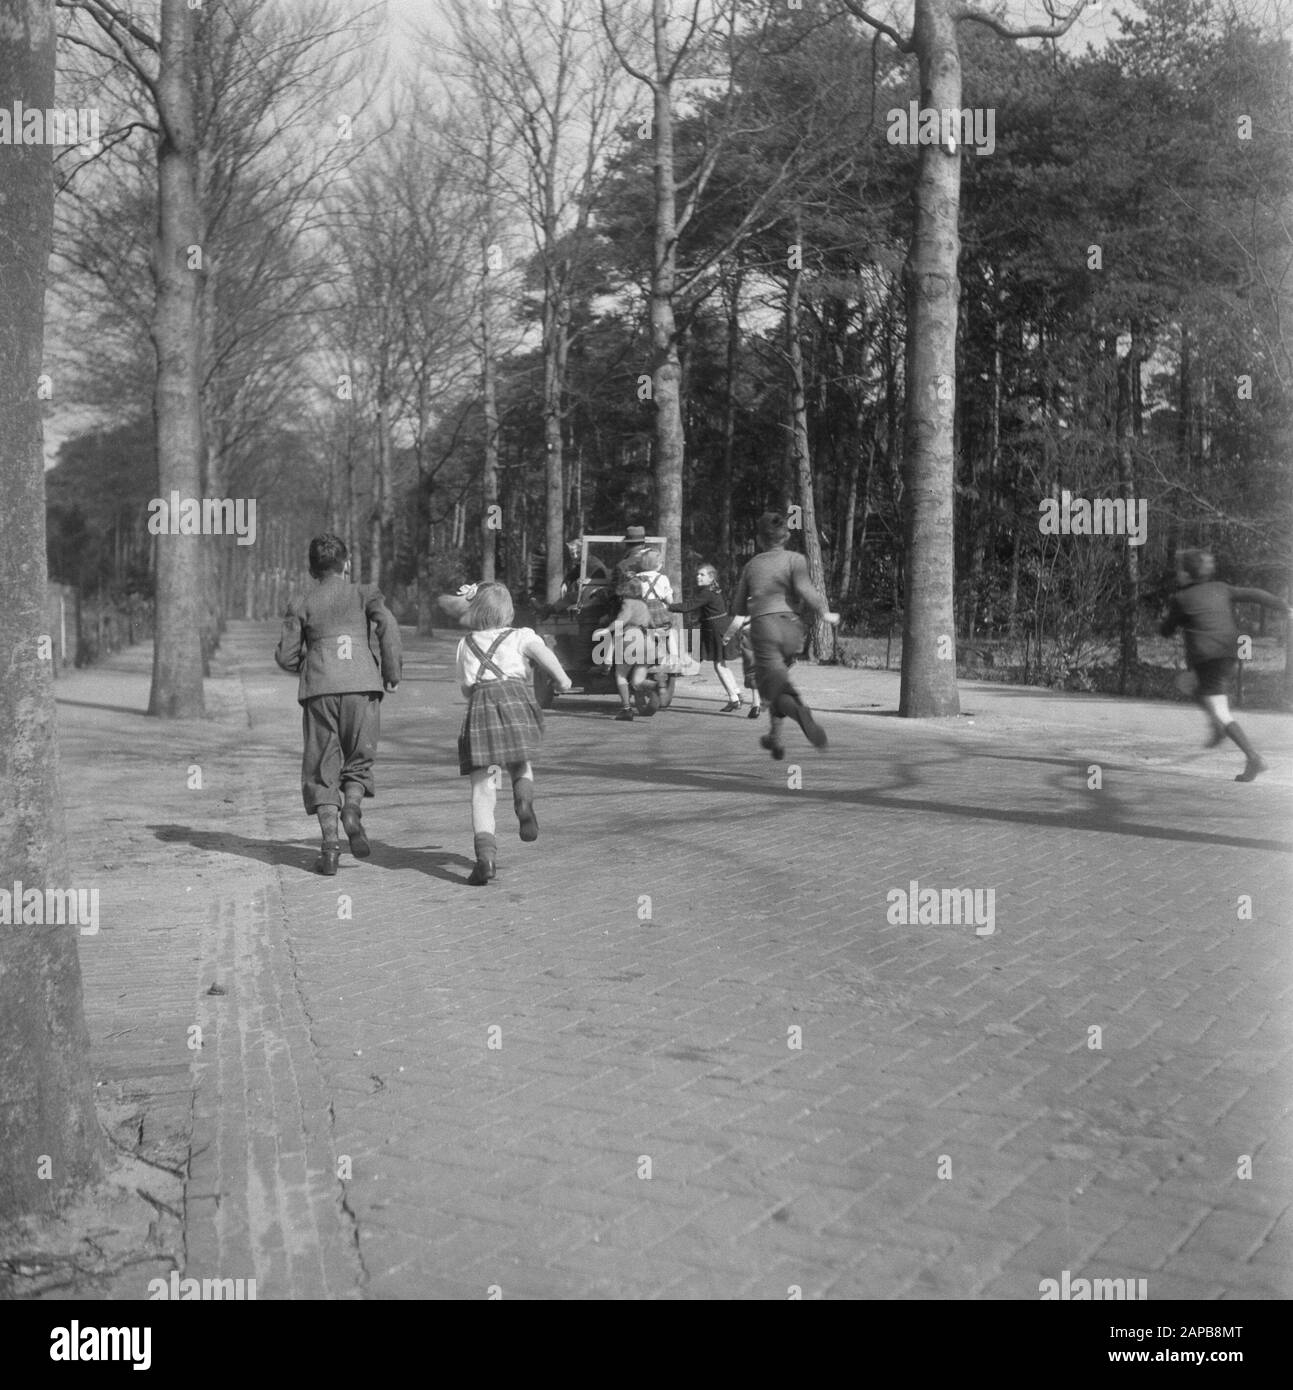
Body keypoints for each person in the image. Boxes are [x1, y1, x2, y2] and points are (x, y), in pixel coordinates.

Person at [275, 534, 402, 875]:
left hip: (320, 691)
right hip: (363, 687)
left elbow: (286, 656)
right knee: (359, 759)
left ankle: (330, 848)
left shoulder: (301, 600)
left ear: (311, 568)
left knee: (322, 768)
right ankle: (353, 809)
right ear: (345, 564)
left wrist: (313, 663)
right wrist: (391, 670)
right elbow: (387, 625)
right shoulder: (365, 593)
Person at [456, 582, 572, 884]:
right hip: (517, 704)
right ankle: (523, 803)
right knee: (520, 763)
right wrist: (562, 679)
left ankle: (486, 858)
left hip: (483, 708)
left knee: (484, 788)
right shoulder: (521, 636)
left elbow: (466, 688)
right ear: (508, 612)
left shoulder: (465, 644)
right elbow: (541, 653)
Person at [1159, 548, 1292, 782]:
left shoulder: (1181, 599)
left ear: (1188, 575)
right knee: (1189, 685)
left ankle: (1253, 757)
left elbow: (1167, 630)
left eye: (1180, 569)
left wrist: (1165, 626)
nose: (1177, 573)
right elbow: (1255, 595)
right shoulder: (1221, 588)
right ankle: (1218, 728)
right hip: (1228, 653)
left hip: (1207, 658)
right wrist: (1282, 605)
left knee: (1220, 710)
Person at [724, 511, 839, 758]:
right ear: (786, 536)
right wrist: (824, 613)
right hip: (792, 629)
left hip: (765, 629)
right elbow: (805, 588)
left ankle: (800, 712)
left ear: (759, 539)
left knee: (774, 690)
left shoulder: (752, 565)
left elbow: (738, 607)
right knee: (777, 683)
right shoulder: (795, 559)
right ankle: (774, 737)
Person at [671, 563, 743, 710]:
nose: (698, 576)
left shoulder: (707, 593)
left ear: (711, 578)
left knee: (718, 665)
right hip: (721, 627)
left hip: (717, 630)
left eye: (702, 575)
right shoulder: (712, 590)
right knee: (722, 664)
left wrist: (668, 606)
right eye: (698, 574)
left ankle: (733, 699)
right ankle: (736, 692)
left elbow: (688, 607)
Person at [592, 575, 654, 721]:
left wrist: (607, 629)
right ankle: (655, 686)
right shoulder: (643, 604)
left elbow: (622, 620)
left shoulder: (627, 602)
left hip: (631, 638)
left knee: (621, 675)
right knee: (638, 680)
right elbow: (651, 623)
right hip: (647, 641)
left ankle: (626, 709)